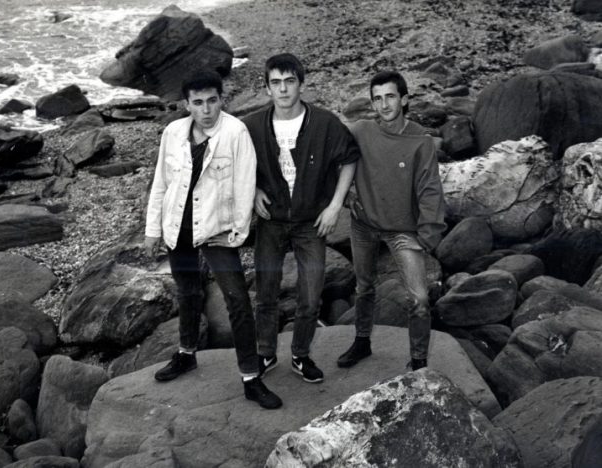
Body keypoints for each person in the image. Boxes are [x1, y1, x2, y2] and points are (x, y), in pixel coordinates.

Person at [144, 70, 282, 409]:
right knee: (187, 292)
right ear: (187, 104)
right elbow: (161, 182)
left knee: (237, 300)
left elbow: (245, 185)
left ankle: (251, 378)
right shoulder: (172, 133)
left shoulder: (235, 132)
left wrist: (235, 234)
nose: (206, 110)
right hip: (179, 226)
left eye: (212, 101)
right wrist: (153, 230)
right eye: (198, 103)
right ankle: (186, 353)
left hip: (217, 230)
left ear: (222, 99)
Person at [243, 53, 360, 383]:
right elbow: (234, 162)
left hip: (311, 221)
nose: (283, 89)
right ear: (267, 88)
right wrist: (253, 190)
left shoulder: (324, 123)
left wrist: (334, 206)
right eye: (276, 83)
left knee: (310, 295)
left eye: (290, 81)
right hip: (271, 219)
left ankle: (300, 355)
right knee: (266, 292)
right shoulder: (252, 125)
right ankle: (266, 353)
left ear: (301, 85)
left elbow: (350, 159)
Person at [336, 70, 447, 371]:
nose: (384, 105)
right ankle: (362, 341)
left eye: (390, 97)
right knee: (364, 286)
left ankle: (419, 362)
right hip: (363, 224)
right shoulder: (361, 131)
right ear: (372, 103)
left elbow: (430, 190)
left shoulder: (420, 141)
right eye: (377, 99)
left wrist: (428, 236)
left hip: (403, 230)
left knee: (420, 298)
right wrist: (345, 195)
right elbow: (331, 155)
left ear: (404, 99)